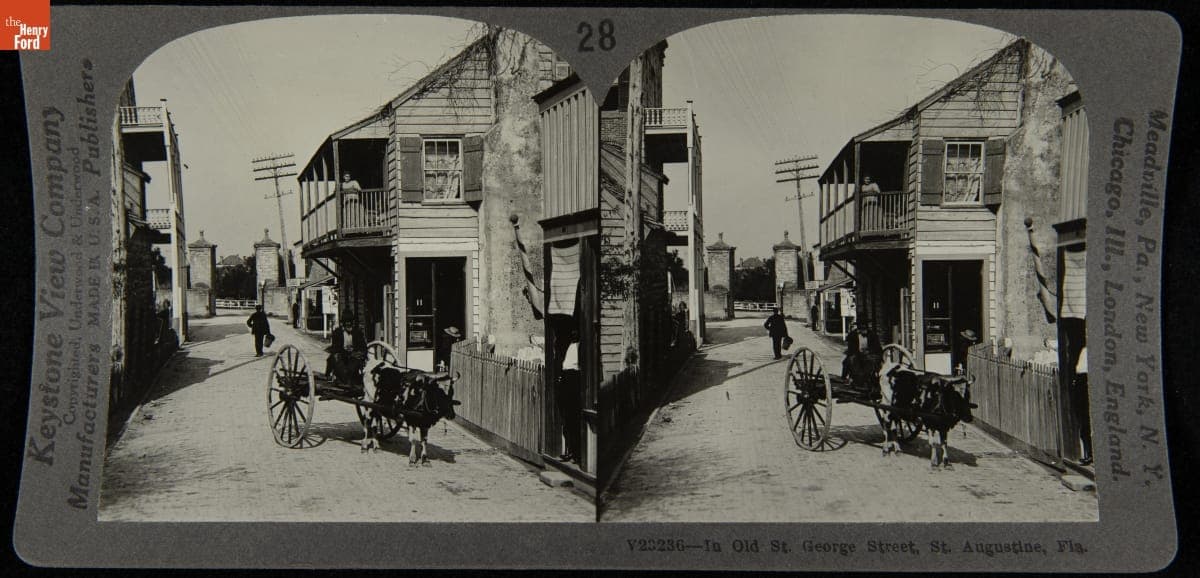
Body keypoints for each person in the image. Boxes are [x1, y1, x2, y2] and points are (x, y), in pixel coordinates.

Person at [555, 327, 582, 464]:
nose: (573, 334)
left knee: (574, 418)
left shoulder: (581, 346)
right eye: (572, 333)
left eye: (576, 332)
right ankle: (569, 450)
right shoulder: (569, 346)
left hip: (574, 379)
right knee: (567, 418)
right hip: (566, 378)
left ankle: (576, 453)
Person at [842, 320, 883, 391]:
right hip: (856, 354)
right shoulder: (853, 335)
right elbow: (851, 349)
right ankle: (851, 379)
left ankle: (871, 380)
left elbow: (877, 348)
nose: (864, 329)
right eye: (861, 327)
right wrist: (859, 354)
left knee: (872, 362)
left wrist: (869, 352)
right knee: (850, 361)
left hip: (869, 354)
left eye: (865, 327)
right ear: (858, 328)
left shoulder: (872, 335)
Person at [1074, 346, 1093, 466]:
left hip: (1086, 381)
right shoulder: (1086, 350)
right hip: (1083, 381)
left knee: (1087, 423)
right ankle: (1088, 454)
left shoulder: (1088, 351)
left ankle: (1090, 455)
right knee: (1085, 423)